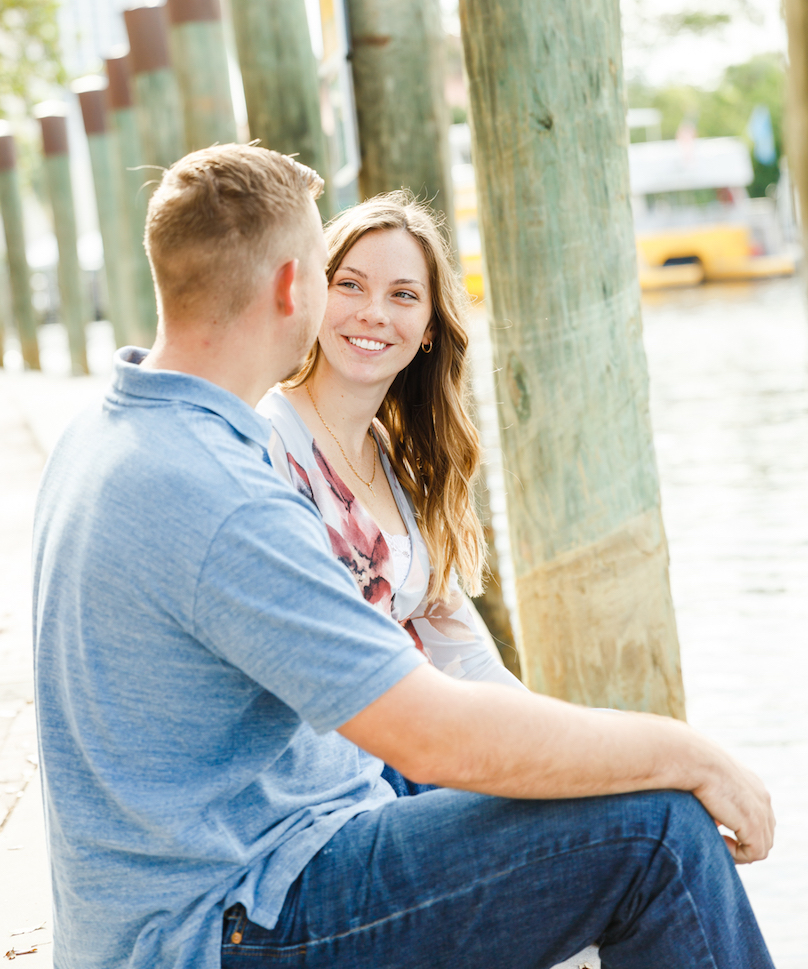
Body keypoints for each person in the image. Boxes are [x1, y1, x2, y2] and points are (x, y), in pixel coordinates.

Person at [33, 144, 775, 969]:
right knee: (659, 832)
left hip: (222, 865)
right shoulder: (226, 493)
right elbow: (429, 737)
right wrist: (687, 752)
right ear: (295, 286)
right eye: (336, 277)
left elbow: (448, 685)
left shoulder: (107, 429)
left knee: (608, 792)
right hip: (222, 920)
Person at [258, 192, 521, 705]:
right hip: (333, 745)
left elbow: (465, 658)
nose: (373, 313)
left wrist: (565, 734)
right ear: (314, 294)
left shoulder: (396, 458)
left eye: (403, 295)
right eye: (350, 285)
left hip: (413, 733)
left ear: (429, 328)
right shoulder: (267, 441)